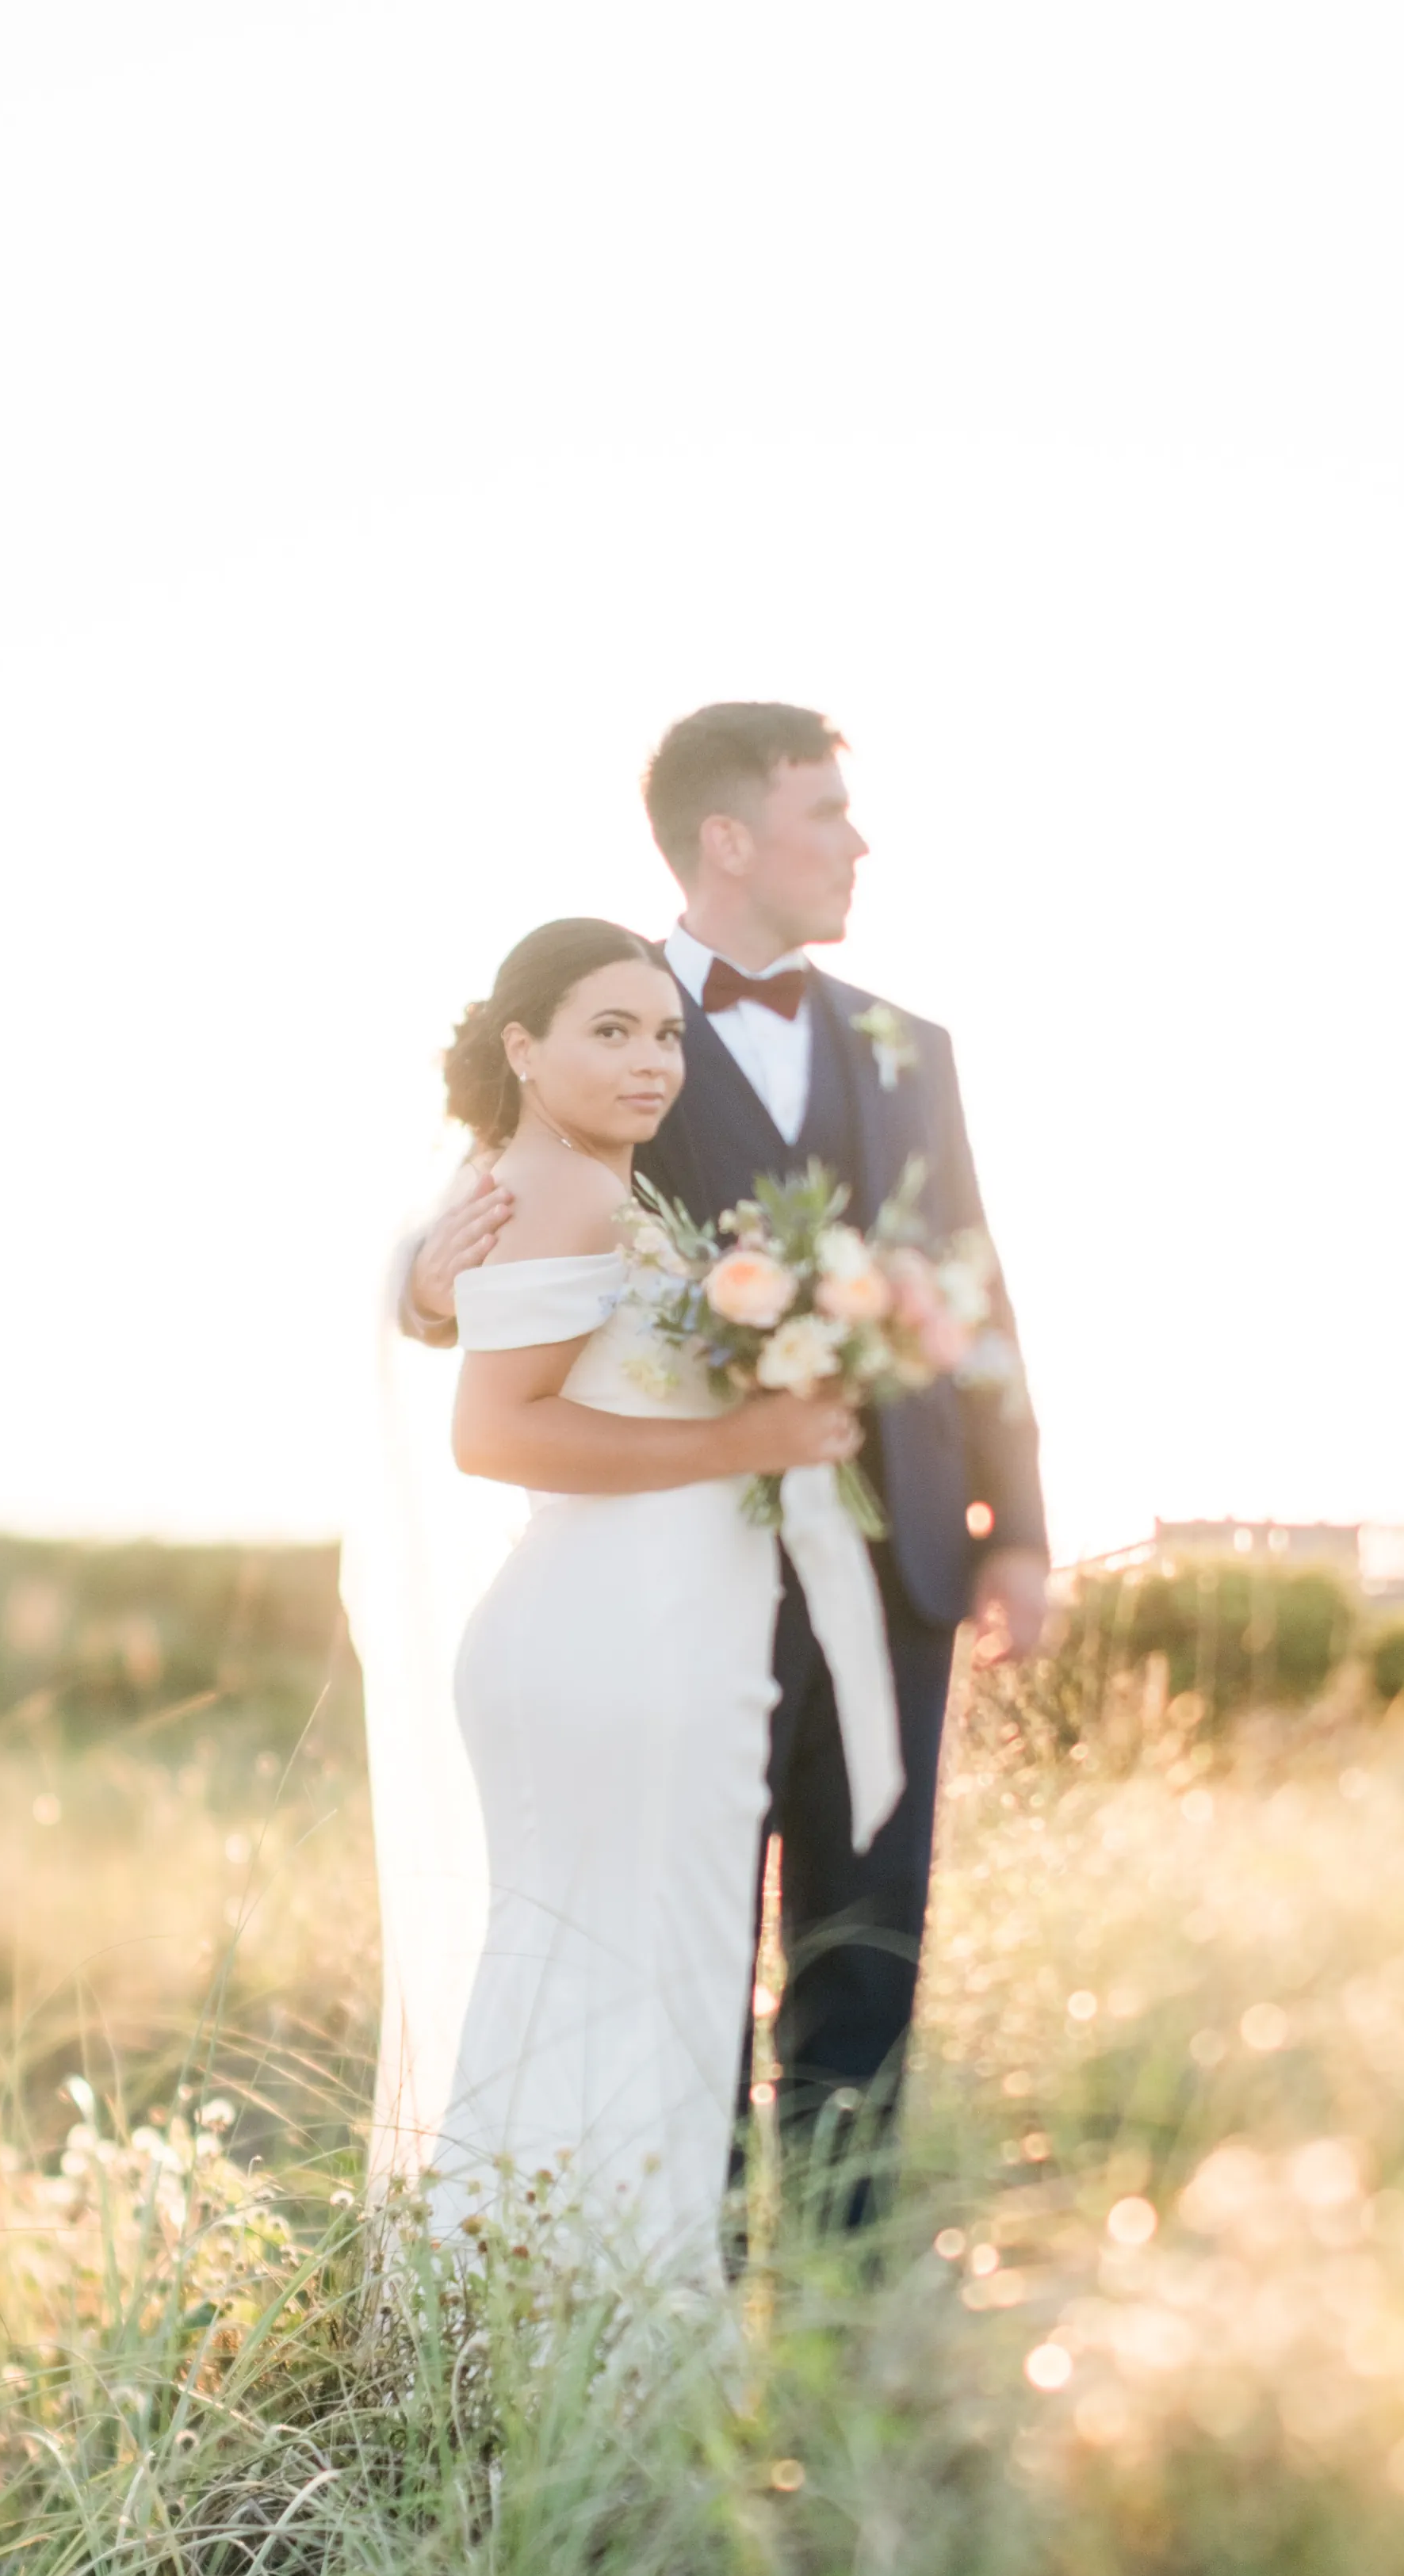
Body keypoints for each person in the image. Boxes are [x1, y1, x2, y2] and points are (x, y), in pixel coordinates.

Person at [400, 708, 1048, 2232]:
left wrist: (1015, 1527)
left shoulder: (909, 1047)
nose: (859, 843)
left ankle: (838, 2277)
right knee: (673, 1929)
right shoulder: (587, 1019)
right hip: (681, 1575)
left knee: (869, 1927)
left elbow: (972, 1284)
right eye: (828, 812)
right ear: (729, 839)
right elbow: (468, 1248)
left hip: (891, 1561)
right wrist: (422, 1289)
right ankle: (675, 2251)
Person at [364, 915, 903, 2277]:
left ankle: (564, 2348)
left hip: (652, 1636)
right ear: (524, 1049)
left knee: (628, 1991)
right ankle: (559, 2347)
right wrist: (745, 1440)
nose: (654, 1062)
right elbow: (493, 1433)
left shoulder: (588, 1181)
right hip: (608, 1643)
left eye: (666, 1034)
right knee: (610, 1988)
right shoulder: (565, 1188)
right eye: (613, 1034)